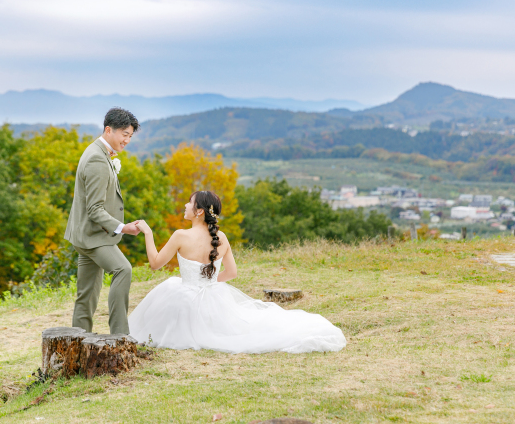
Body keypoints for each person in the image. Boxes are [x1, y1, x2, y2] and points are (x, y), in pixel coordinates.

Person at [129, 191, 346, 353]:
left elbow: (155, 263)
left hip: (184, 298)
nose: (185, 205)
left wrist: (148, 232)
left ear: (199, 211)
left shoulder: (180, 235)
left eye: (189, 202)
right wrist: (209, 285)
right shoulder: (221, 238)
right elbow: (231, 273)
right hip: (212, 299)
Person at [64, 107, 142, 335]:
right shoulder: (97, 159)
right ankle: (119, 335)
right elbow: (95, 209)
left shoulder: (97, 151)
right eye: (124, 134)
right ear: (108, 130)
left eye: (130, 136)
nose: (127, 140)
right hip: (94, 236)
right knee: (123, 270)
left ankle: (77, 341)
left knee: (86, 294)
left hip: (83, 234)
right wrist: (123, 228)